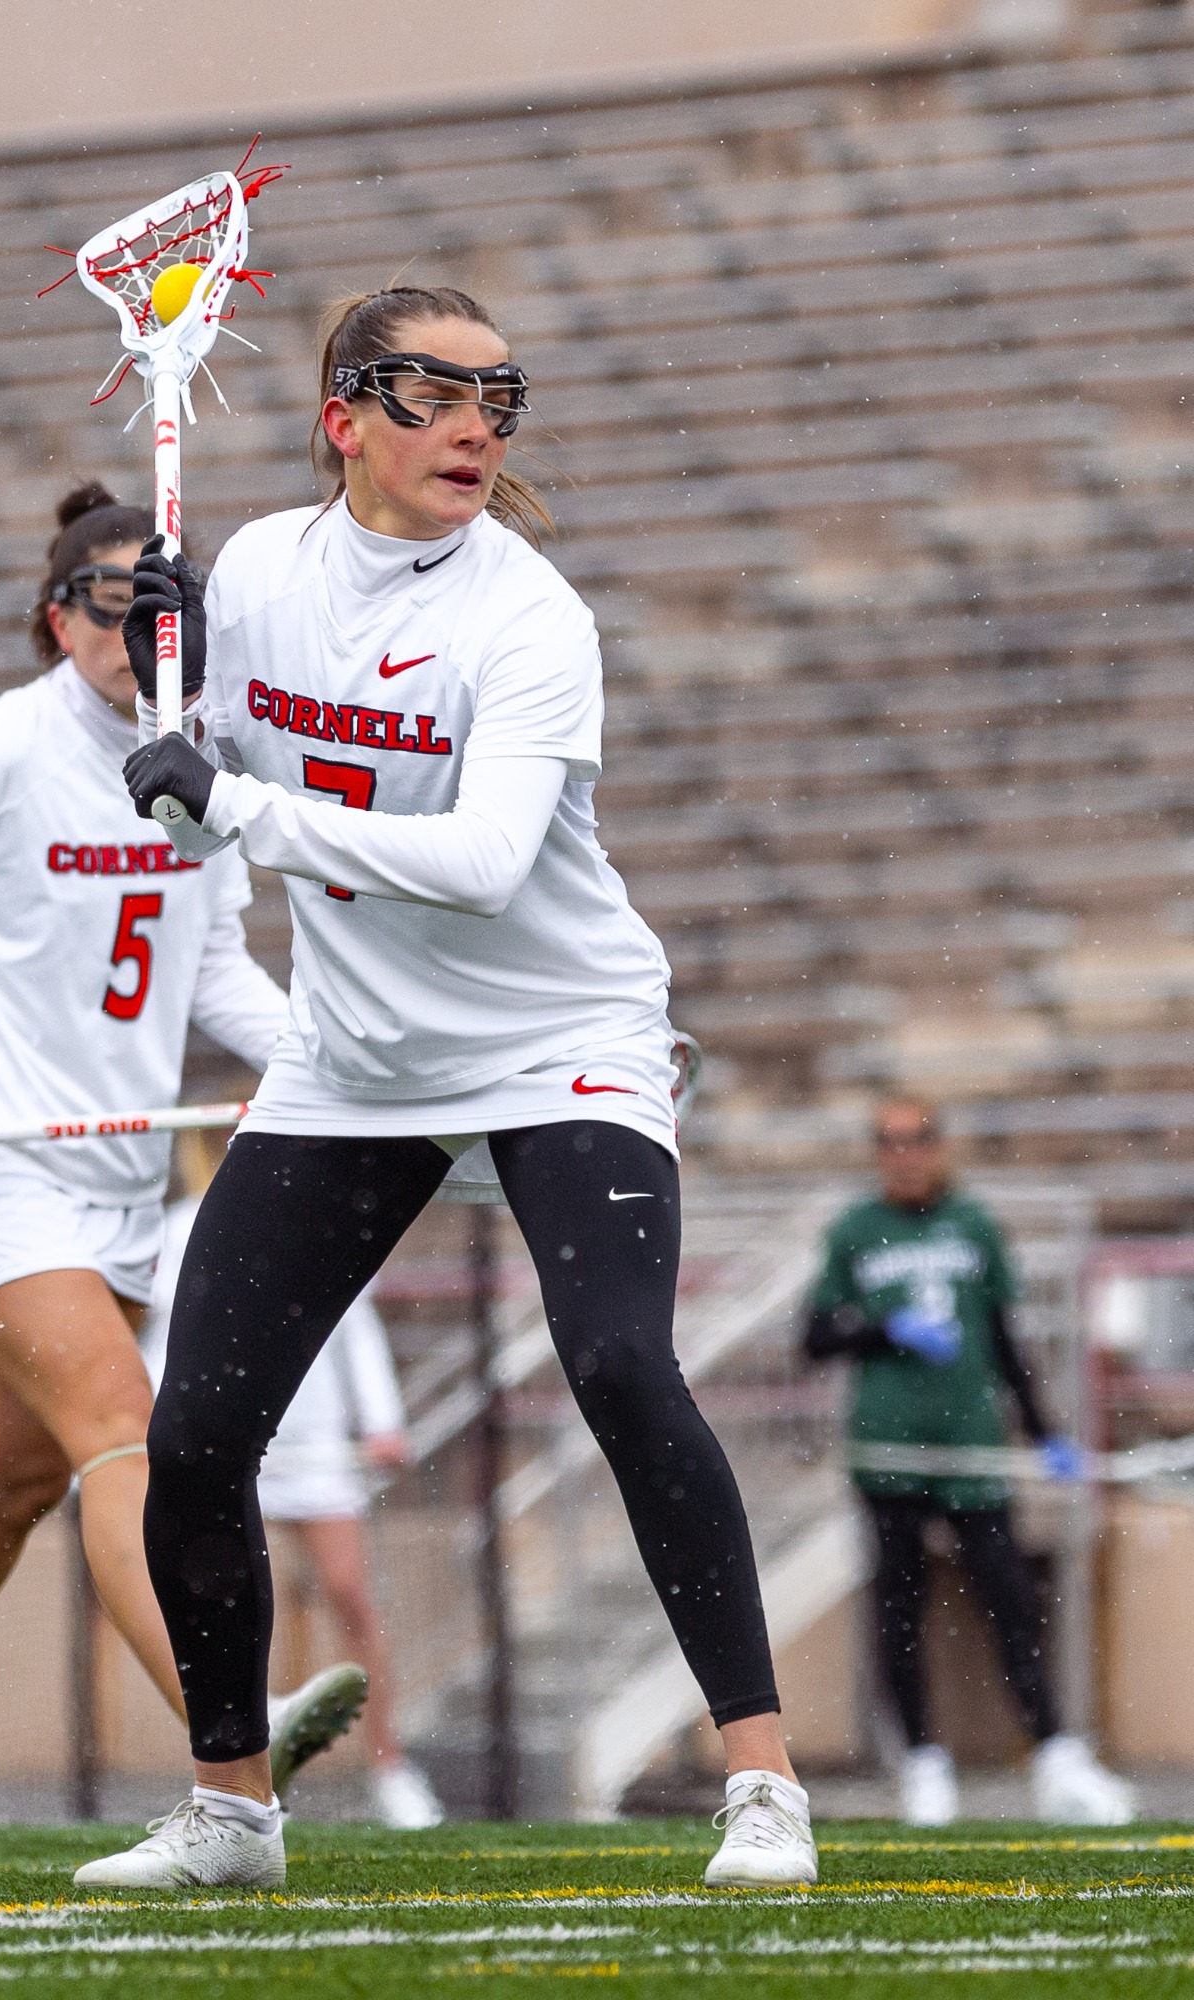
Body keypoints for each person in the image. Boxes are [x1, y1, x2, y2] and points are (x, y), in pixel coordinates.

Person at [74, 284, 817, 1891]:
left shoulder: (527, 615)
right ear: (342, 417)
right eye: (433, 391)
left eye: (500, 396)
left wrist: (233, 805)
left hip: (558, 1034)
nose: (477, 424)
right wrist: (153, 680)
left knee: (619, 1366)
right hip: (355, 1060)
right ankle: (231, 1811)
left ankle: (761, 1783)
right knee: (194, 1431)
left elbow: (478, 863)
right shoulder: (257, 570)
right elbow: (187, 773)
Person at [0, 483, 366, 1850]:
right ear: (58, 620)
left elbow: (212, 972)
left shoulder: (194, 762)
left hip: (115, 1181)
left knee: (7, 1486)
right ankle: (233, 1727)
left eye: (160, 609)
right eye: (109, 606)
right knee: (121, 1427)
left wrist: (339, 1061)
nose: (136, 632)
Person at [803, 1093, 1133, 1827]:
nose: (904, 1155)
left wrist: (1043, 1432)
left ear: (939, 1145)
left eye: (916, 1138)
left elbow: (1005, 1340)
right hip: (889, 1451)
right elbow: (816, 1336)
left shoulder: (974, 1225)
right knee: (898, 1609)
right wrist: (885, 1329)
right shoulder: (854, 1231)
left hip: (971, 1447)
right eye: (888, 1141)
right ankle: (922, 1765)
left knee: (1010, 1600)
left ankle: (1056, 1757)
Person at [142, 1136, 446, 1831]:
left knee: (350, 1596)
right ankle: (229, 1777)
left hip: (311, 1444)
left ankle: (390, 1768)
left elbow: (354, 1325)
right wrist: (152, 1429)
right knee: (212, 1604)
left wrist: (381, 1418)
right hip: (217, 1447)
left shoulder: (318, 1213)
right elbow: (165, 1333)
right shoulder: (180, 1227)